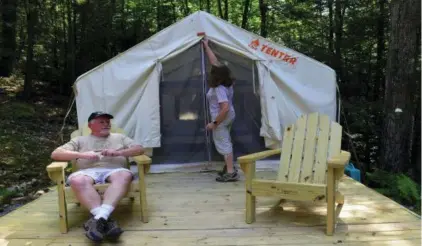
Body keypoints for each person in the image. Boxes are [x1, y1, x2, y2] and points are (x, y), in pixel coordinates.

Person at [50, 111, 144, 242]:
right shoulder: (79, 140)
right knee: (77, 180)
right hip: (87, 171)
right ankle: (106, 219)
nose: (106, 124)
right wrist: (82, 155)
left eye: (108, 122)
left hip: (115, 170)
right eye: (102, 122)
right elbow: (56, 154)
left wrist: (119, 152)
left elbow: (139, 149)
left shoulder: (120, 137)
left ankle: (96, 220)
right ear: (90, 125)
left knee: (124, 175)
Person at [202, 37, 239, 182]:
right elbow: (214, 62)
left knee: (223, 143)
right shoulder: (227, 81)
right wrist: (206, 46)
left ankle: (230, 172)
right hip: (229, 116)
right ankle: (229, 167)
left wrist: (214, 123)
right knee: (226, 140)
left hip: (222, 117)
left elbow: (224, 108)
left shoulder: (219, 89)